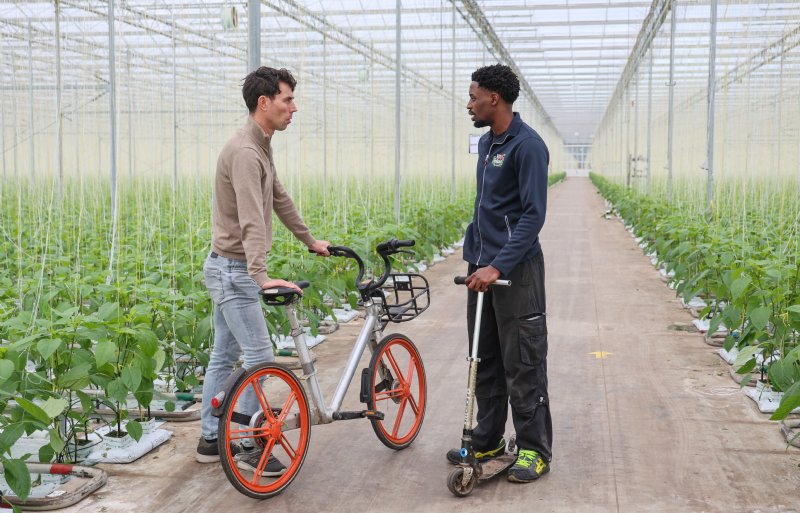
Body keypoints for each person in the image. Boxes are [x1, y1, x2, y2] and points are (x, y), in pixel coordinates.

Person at [196, 67, 330, 476]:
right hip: (234, 272)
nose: (294, 108)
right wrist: (261, 275)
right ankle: (252, 444)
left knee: (224, 355)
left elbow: (278, 197)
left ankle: (209, 437)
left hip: (228, 267)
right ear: (264, 102)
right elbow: (253, 218)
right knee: (259, 358)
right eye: (288, 99)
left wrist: (309, 239)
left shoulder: (260, 145)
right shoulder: (245, 152)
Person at [446, 64, 552, 483]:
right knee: (484, 355)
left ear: (494, 98)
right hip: (482, 269)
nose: (468, 103)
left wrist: (498, 264)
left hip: (515, 271)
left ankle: (534, 450)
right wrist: (478, 259)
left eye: (473, 96)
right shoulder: (489, 143)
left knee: (523, 360)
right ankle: (488, 438)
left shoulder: (528, 146)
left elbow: (532, 216)